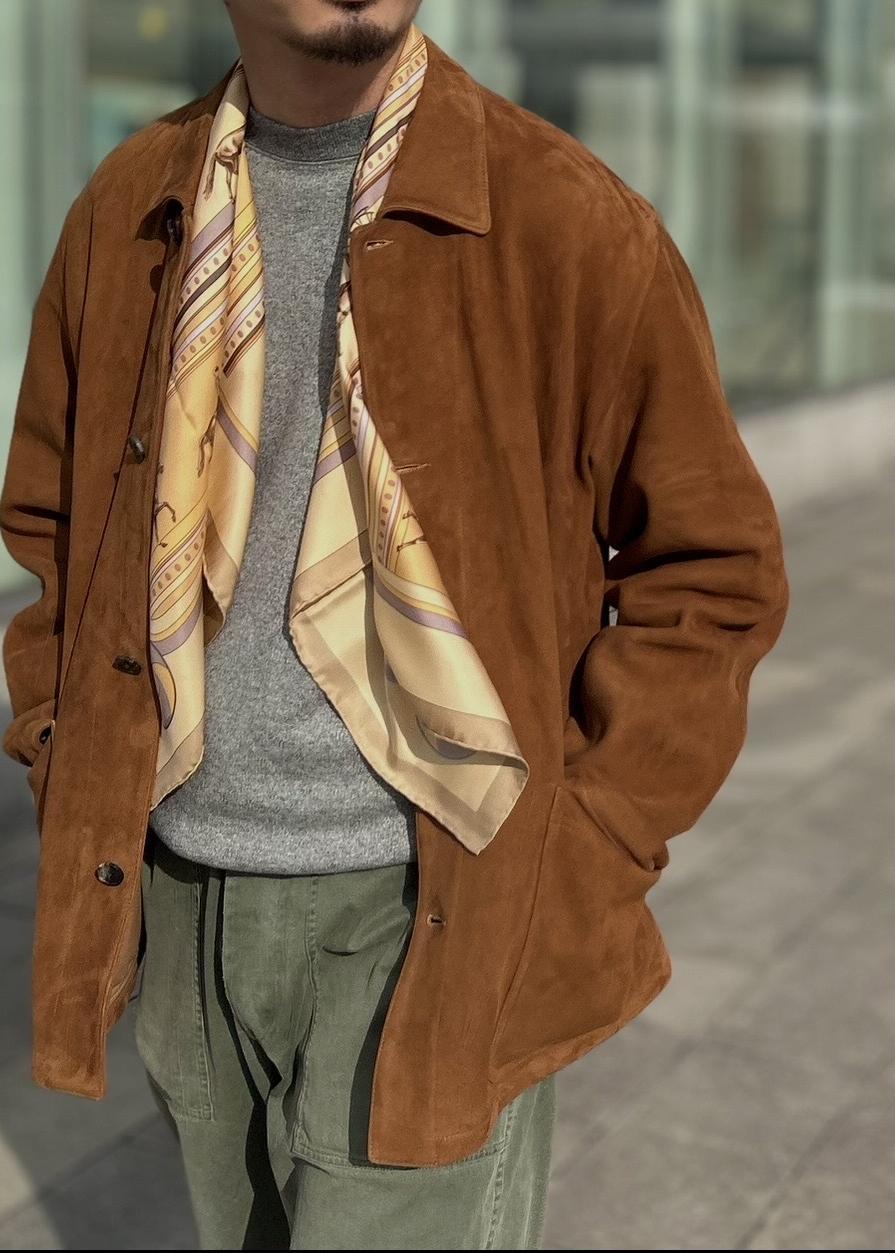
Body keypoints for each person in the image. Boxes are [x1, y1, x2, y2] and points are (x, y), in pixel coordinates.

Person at [0, 1, 790, 1248]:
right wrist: (69, 754)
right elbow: (55, 522)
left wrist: (584, 839)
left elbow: (713, 569)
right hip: (186, 895)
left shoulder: (562, 216)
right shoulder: (132, 203)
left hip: (428, 903)